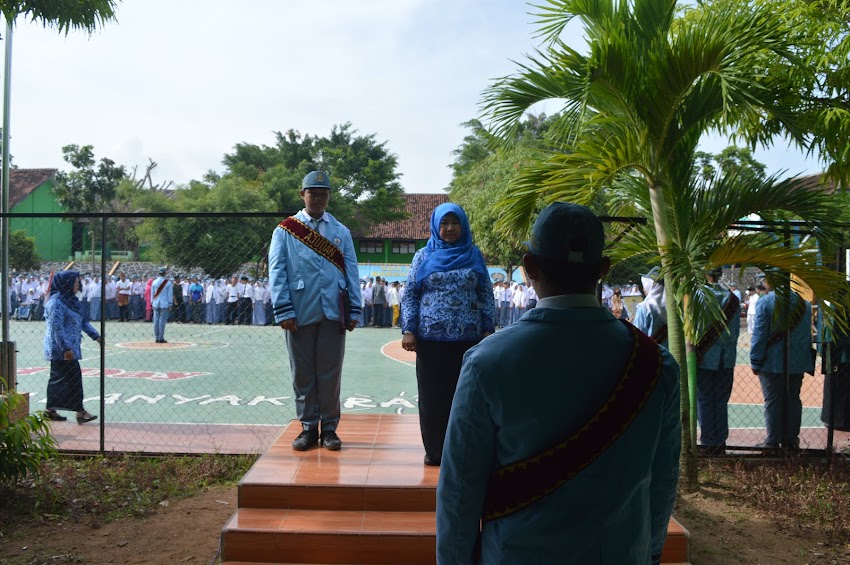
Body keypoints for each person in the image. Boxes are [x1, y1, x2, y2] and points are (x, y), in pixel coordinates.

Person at [436, 203, 681, 564]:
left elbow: (459, 491)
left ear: (529, 267)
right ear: (603, 269)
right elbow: (662, 482)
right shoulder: (655, 363)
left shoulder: (487, 362)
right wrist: (649, 554)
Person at [268, 170, 362, 451]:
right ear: (302, 195)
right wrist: (283, 308)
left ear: (329, 196)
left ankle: (330, 429)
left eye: (323, 193)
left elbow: (352, 271)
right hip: (299, 311)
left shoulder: (340, 231)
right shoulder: (285, 230)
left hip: (334, 312)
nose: (318, 197)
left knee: (330, 373)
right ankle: (308, 427)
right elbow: (277, 270)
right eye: (313, 192)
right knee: (303, 373)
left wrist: (354, 309)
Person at [400, 202, 496, 466]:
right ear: (436, 226)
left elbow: (485, 293)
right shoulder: (423, 256)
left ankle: (462, 451)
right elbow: (410, 294)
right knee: (433, 399)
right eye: (444, 223)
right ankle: (435, 451)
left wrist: (489, 329)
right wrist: (409, 330)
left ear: (463, 225)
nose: (450, 228)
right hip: (431, 340)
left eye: (455, 223)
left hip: (469, 340)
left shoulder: (474, 254)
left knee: (465, 398)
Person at [750, 279, 814, 451]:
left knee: (772, 400)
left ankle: (772, 441)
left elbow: (760, 333)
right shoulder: (804, 303)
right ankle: (791, 440)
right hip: (797, 361)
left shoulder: (765, 301)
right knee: (793, 399)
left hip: (772, 360)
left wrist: (755, 359)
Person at [43, 270, 102, 424]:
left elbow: (82, 321)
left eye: (78, 282)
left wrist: (95, 335)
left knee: (59, 378)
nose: (78, 285)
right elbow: (56, 327)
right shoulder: (56, 302)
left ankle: (50, 410)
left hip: (69, 348)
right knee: (73, 378)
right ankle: (80, 412)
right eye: (75, 283)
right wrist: (65, 349)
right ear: (66, 284)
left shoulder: (71, 301)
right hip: (60, 349)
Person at [695, 268, 741, 456]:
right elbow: (736, 332)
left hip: (704, 356)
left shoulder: (698, 296)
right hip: (726, 357)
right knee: (721, 400)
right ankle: (720, 442)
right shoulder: (733, 299)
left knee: (704, 399)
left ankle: (707, 441)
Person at [632, 266, 668, 348]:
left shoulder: (644, 307)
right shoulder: (673, 308)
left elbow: (637, 336)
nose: (644, 289)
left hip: (653, 355)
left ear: (650, 286)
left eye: (645, 285)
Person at [151, 267, 173, 344]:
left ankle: (156, 337)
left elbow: (152, 293)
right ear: (165, 273)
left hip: (156, 302)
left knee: (156, 320)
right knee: (162, 321)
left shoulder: (154, 282)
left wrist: (152, 302)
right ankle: (161, 337)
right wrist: (170, 303)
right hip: (164, 303)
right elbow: (169, 294)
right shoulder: (168, 282)